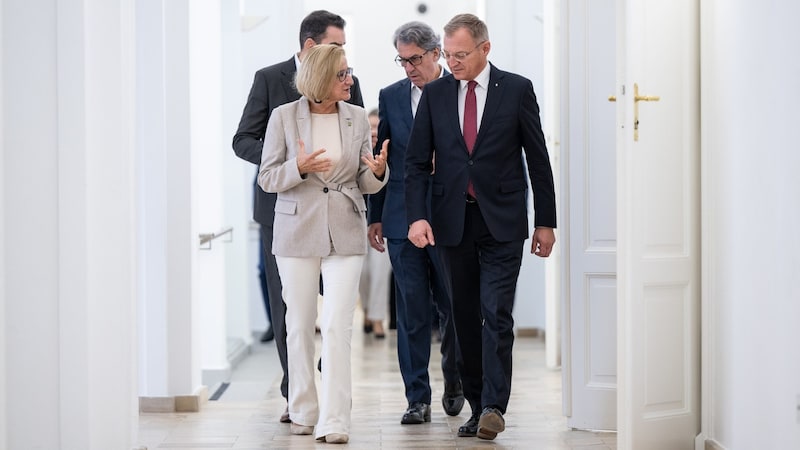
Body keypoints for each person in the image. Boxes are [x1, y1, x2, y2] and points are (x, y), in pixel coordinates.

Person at [404, 14, 557, 441]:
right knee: (463, 318)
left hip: (503, 221)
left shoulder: (517, 89)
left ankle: (493, 406)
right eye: (448, 55)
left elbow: (538, 159)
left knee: (497, 312)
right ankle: (476, 405)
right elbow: (416, 163)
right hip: (452, 222)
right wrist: (416, 215)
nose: (452, 63)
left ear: (485, 49)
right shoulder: (434, 95)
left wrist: (546, 221)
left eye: (461, 55)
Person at [231, 9, 364, 424]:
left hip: (341, 219)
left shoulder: (348, 88)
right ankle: (298, 398)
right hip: (285, 215)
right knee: (295, 314)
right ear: (312, 46)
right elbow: (243, 141)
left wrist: (373, 180)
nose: (346, 64)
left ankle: (333, 403)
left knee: (338, 318)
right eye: (337, 47)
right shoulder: (270, 81)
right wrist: (293, 162)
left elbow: (357, 154)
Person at [258, 44, 389, 444]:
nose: (350, 81)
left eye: (349, 72)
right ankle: (302, 408)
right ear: (320, 79)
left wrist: (378, 173)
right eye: (342, 74)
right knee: (298, 324)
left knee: (336, 325)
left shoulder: (354, 117)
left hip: (346, 228)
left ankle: (335, 419)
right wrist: (298, 167)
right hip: (296, 230)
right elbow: (267, 177)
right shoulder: (283, 117)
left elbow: (362, 182)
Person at [369, 21, 465, 425]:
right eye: (402, 60)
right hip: (399, 217)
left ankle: (455, 379)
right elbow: (382, 156)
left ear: (435, 55)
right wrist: (375, 216)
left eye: (415, 59)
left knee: (454, 308)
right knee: (411, 313)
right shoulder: (390, 97)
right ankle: (417, 398)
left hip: (449, 216)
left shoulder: (459, 91)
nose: (408, 68)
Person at [358, 108, 392, 338]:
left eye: (376, 127)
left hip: (383, 220)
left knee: (380, 272)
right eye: (369, 126)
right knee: (362, 273)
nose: (372, 131)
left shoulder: (390, 153)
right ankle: (368, 312)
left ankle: (378, 319)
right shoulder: (357, 152)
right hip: (357, 219)